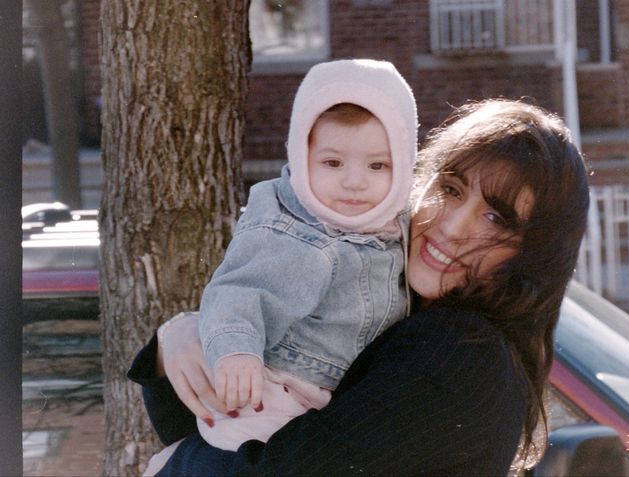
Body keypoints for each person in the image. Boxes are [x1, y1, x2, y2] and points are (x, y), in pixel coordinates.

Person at [129, 97, 591, 476]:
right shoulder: (389, 309)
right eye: (449, 189)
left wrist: (178, 459)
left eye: (496, 218)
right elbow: (224, 428)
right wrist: (180, 341)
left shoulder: (458, 351)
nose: (451, 227)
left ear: (534, 253)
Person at [141, 58, 418, 475]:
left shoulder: (395, 226)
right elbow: (239, 291)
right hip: (268, 393)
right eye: (333, 163)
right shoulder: (290, 228)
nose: (355, 182)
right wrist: (236, 351)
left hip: (322, 397)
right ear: (301, 157)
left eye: (377, 165)